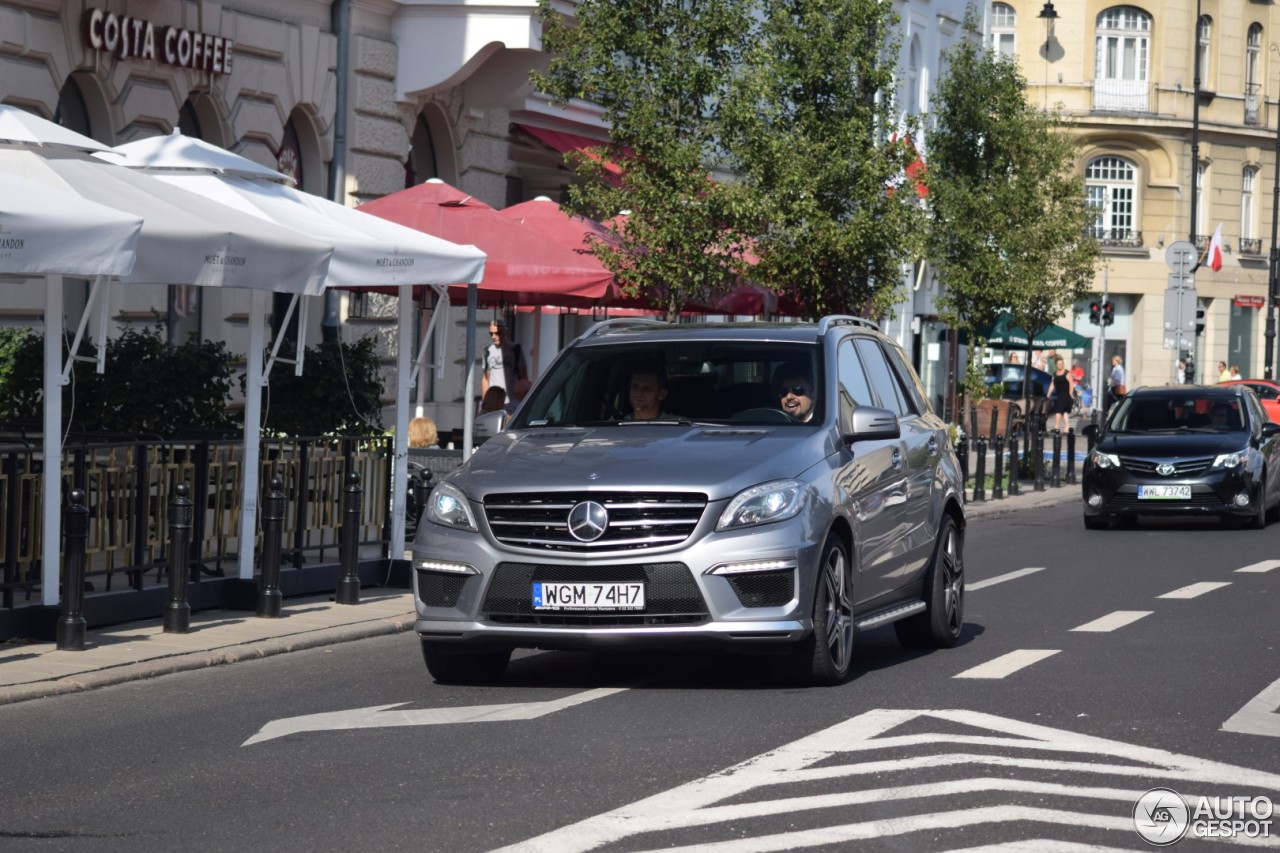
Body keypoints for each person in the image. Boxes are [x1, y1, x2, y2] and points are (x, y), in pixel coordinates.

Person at [482, 318, 528, 399]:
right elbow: (486, 378)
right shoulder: (487, 351)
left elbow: (523, 376)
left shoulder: (516, 349)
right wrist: (485, 401)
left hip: (512, 399)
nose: (494, 337)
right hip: (494, 401)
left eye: (497, 333)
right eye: (491, 334)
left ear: (505, 332)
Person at [1048, 356, 1073, 431]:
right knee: (1064, 411)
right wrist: (1048, 394)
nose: (1060, 365)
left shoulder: (1066, 373)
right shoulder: (1055, 374)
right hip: (1059, 394)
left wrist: (1071, 393)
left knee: (1058, 410)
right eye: (1058, 364)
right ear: (1056, 365)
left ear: (1063, 364)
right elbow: (1052, 384)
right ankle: (1067, 427)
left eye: (1061, 363)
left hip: (1065, 394)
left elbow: (1071, 383)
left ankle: (1056, 426)